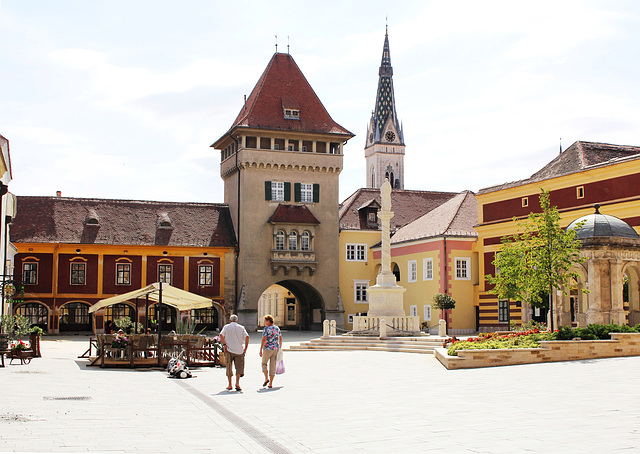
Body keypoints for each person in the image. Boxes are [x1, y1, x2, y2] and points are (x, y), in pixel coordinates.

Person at [219, 314, 249, 391]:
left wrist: (224, 345)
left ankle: (230, 384)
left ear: (229, 321)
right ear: (237, 321)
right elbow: (247, 336)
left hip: (229, 350)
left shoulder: (226, 327)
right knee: (239, 367)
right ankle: (237, 383)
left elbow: (221, 335)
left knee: (229, 366)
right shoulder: (241, 327)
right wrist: (245, 348)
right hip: (239, 350)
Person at [259, 314, 282, 388]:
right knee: (272, 365)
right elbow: (280, 338)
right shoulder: (277, 328)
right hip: (275, 348)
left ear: (269, 321)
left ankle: (266, 378)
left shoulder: (266, 329)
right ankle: (271, 383)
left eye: (265, 321)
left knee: (264, 363)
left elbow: (264, 339)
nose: (264, 322)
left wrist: (261, 349)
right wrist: (280, 347)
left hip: (267, 348)